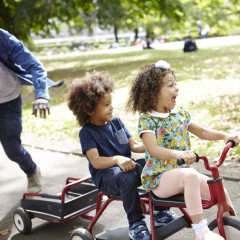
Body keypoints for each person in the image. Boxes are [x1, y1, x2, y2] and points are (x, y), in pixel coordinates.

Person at [127, 60, 240, 240]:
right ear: (153, 94)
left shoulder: (179, 114)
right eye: (170, 85)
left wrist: (224, 136)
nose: (177, 88)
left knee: (219, 191)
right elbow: (153, 149)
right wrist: (179, 154)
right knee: (191, 175)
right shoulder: (148, 120)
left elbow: (202, 131)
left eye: (175, 83)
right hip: (159, 179)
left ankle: (232, 230)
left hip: (180, 174)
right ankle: (200, 231)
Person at [67, 71, 177, 240]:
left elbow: (134, 145)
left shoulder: (116, 122)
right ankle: (136, 224)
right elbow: (96, 162)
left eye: (111, 103)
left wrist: (155, 147)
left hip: (128, 167)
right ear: (89, 110)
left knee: (155, 163)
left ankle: (161, 211)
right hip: (106, 176)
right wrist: (117, 159)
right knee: (126, 178)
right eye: (106, 105)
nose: (111, 107)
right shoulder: (87, 133)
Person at [0, 28, 64, 193]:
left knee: (12, 150)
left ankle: (31, 170)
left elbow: (35, 66)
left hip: (8, 102)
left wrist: (41, 95)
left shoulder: (5, 39)